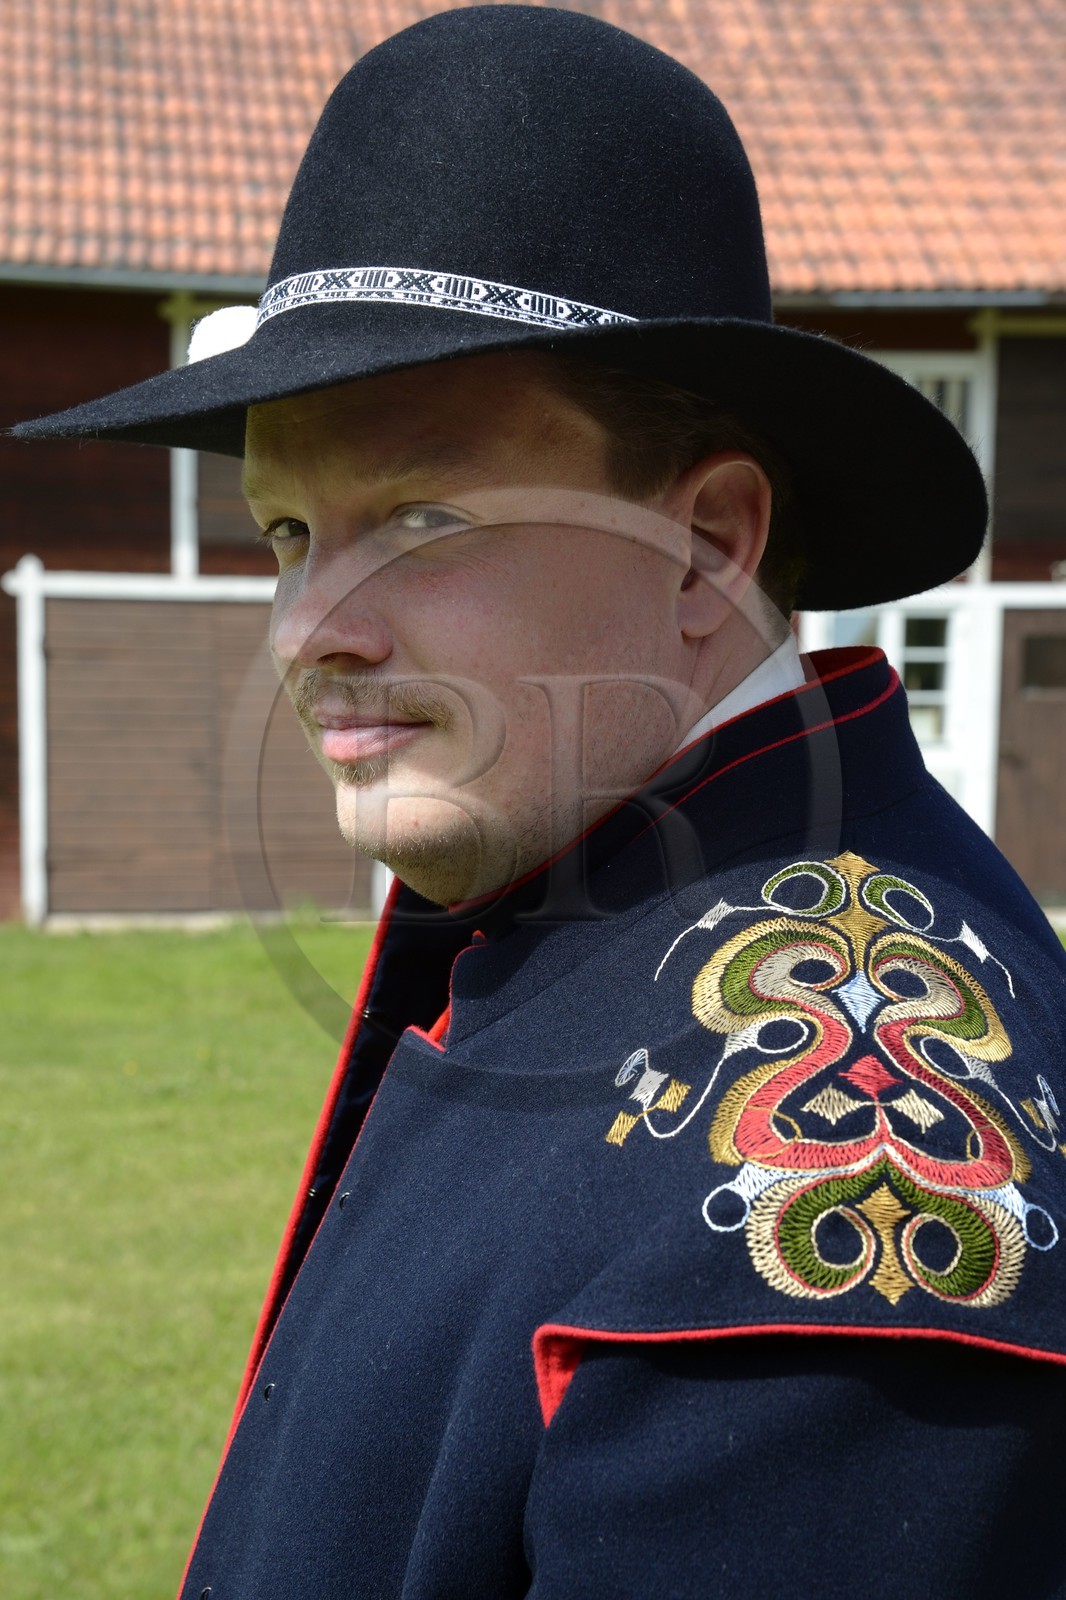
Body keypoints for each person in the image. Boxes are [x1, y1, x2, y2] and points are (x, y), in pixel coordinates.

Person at [15, 7, 1066, 1597]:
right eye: (288, 535)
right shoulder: (575, 907)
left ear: (709, 543)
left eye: (421, 517)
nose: (311, 633)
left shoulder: (833, 1171)